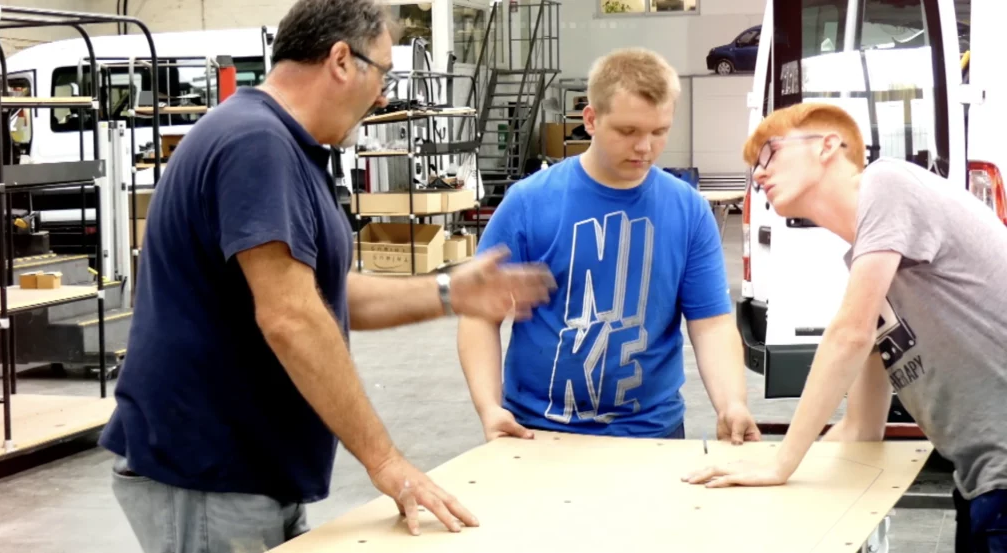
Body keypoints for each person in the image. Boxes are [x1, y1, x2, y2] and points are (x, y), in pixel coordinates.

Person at [99, 0, 557, 550]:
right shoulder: (257, 144)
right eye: (383, 72)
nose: (385, 94)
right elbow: (291, 317)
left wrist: (450, 290)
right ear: (342, 60)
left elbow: (323, 297)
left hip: (245, 473)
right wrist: (386, 461)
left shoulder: (284, 146)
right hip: (208, 474)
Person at [681, 102, 1007, 552]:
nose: (758, 174)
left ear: (828, 146)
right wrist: (768, 488)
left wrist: (782, 464)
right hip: (982, 483)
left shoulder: (888, 183)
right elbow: (861, 429)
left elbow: (849, 336)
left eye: (769, 153)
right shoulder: (874, 265)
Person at [456, 48, 761, 445]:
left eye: (659, 131)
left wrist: (732, 404)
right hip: (535, 433)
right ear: (591, 119)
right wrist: (489, 407)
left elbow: (711, 324)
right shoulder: (529, 203)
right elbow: (479, 314)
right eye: (628, 131)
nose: (645, 148)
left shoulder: (688, 211)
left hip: (653, 434)